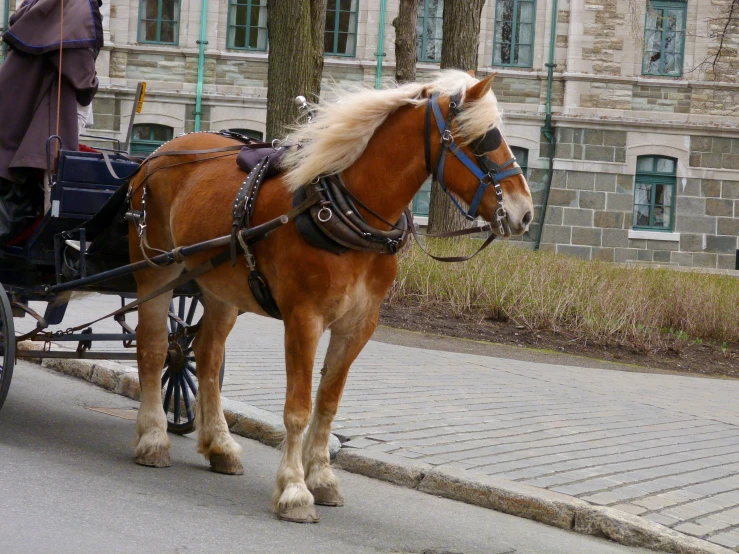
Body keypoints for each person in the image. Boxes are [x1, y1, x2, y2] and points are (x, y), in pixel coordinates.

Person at [0, 0, 103, 246]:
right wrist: (91, 86)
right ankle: (53, 247)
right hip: (50, 111)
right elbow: (79, 67)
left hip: (17, 107)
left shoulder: (41, 3)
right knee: (55, 176)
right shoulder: (78, 6)